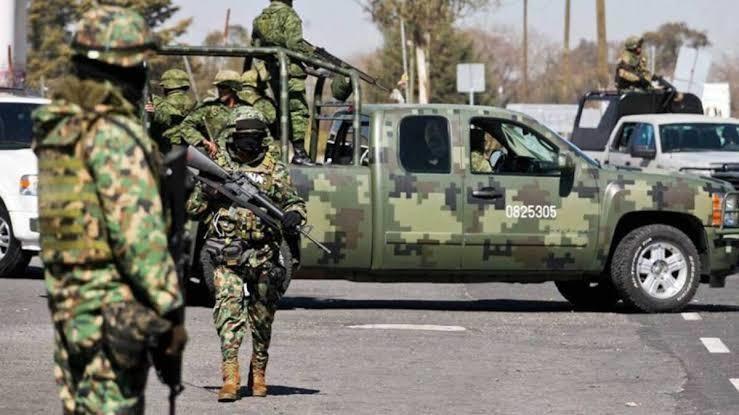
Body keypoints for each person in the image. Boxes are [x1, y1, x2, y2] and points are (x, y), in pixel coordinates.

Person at [32, 5, 186, 413]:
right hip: (112, 321)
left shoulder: (62, 127)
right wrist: (171, 312)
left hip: (70, 309)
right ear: (125, 65)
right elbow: (140, 242)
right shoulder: (115, 136)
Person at [186, 107, 306, 402]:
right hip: (226, 255)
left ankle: (259, 372)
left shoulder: (274, 168)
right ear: (233, 137)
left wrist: (294, 214)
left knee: (262, 318)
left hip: (263, 255)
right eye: (243, 137)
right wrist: (209, 193)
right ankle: (230, 377)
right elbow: (192, 209)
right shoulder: (219, 165)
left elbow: (294, 200)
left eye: (254, 138)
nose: (248, 144)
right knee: (228, 315)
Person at [252, 0, 315, 165]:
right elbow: (295, 44)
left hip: (274, 72)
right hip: (291, 73)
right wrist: (313, 56)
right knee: (297, 111)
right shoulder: (289, 15)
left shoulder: (260, 18)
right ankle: (300, 153)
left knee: (284, 111)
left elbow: (256, 47)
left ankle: (287, 153)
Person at [167, 69, 249, 157]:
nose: (220, 90)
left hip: (244, 159)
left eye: (223, 87)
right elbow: (185, 126)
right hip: (216, 160)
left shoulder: (248, 109)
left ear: (234, 88)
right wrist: (203, 141)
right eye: (218, 86)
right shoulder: (207, 108)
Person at [148, 68, 195, 153]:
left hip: (165, 154)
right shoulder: (196, 106)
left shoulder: (157, 103)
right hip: (194, 155)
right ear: (186, 86)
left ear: (165, 87)